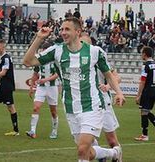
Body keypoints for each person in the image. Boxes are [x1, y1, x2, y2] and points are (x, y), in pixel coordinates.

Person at [23, 17, 125, 162]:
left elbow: (109, 74)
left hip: (92, 106)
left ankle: (113, 152)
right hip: (71, 107)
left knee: (82, 149)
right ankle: (113, 153)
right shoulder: (56, 51)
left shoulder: (95, 52)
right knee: (87, 152)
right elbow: (27, 61)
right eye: (61, 29)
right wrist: (39, 38)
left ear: (78, 31)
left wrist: (119, 93)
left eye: (67, 29)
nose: (63, 32)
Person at [80, 33, 122, 162]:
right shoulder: (75, 60)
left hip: (103, 102)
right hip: (85, 103)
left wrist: (108, 86)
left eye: (84, 44)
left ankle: (117, 156)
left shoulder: (98, 57)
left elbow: (116, 77)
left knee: (111, 140)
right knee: (87, 141)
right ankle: (102, 156)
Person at [26, 41, 60, 139]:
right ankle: (32, 131)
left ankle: (54, 130)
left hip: (52, 88)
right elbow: (35, 74)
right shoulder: (39, 61)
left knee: (53, 111)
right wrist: (31, 87)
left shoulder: (55, 61)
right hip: (41, 88)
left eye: (46, 51)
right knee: (36, 108)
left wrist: (45, 79)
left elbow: (57, 74)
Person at [135, 46, 155, 141]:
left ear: (145, 54)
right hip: (154, 90)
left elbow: (143, 81)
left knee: (144, 112)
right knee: (147, 111)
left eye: (142, 53)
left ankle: (144, 135)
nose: (141, 54)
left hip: (147, 92)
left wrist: (139, 95)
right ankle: (144, 134)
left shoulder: (145, 65)